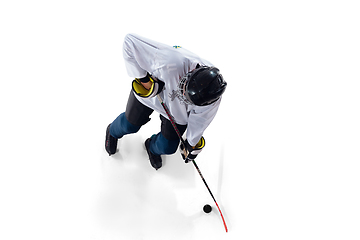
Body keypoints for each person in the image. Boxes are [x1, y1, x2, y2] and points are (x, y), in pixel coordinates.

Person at [105, 34, 227, 170]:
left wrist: (191, 145)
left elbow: (199, 122)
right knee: (129, 125)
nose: (181, 95)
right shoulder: (171, 60)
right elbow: (129, 42)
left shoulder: (211, 100)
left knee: (168, 147)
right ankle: (112, 131)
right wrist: (144, 80)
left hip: (178, 113)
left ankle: (152, 147)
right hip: (152, 96)